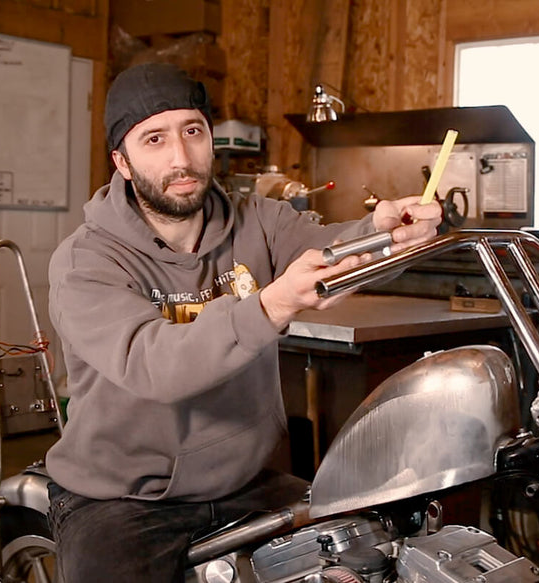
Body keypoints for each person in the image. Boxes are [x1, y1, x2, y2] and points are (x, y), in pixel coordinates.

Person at [45, 62, 442, 582]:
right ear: (122, 161)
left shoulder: (259, 220)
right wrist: (269, 305)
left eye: (193, 132)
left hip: (244, 482)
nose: (181, 157)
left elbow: (335, 253)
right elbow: (155, 365)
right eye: (155, 139)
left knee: (364, 557)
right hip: (123, 499)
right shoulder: (87, 261)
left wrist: (388, 234)